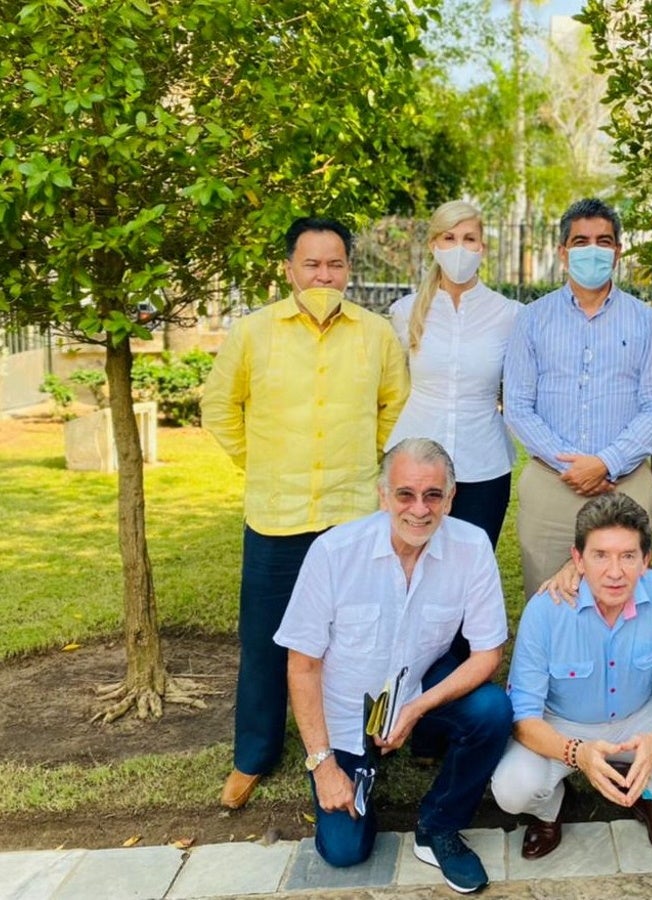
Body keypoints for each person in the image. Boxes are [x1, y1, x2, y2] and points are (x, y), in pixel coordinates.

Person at [201, 216, 409, 811]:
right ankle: (254, 754)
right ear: (289, 268)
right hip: (277, 515)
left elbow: (396, 405)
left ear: (349, 270)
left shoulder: (375, 334)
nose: (324, 275)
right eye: (312, 264)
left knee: (358, 636)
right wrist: (260, 462)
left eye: (335, 264)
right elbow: (219, 406)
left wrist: (367, 459)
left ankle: (362, 742)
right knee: (264, 641)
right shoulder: (253, 332)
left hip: (351, 512)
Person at [273, 438, 512, 893]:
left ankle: (439, 824)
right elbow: (301, 666)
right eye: (405, 494)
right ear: (383, 495)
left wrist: (417, 708)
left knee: (492, 711)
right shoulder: (334, 552)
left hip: (415, 689)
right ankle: (359, 769)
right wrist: (323, 765)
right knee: (345, 852)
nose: (419, 510)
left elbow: (487, 654)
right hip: (345, 713)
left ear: (450, 498)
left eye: (433, 495)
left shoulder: (471, 546)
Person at [492, 493, 652, 862]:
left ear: (645, 560)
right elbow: (522, 716)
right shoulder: (545, 610)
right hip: (563, 723)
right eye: (600, 555)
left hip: (640, 714)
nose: (615, 572)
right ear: (578, 559)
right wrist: (576, 753)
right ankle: (551, 809)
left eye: (628, 556)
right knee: (511, 789)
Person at [503, 198, 652, 600]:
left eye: (603, 241)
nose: (592, 250)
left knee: (622, 600)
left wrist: (605, 463)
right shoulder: (532, 319)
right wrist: (573, 467)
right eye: (581, 242)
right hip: (552, 484)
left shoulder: (648, 322)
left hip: (625, 484)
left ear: (618, 251)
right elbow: (518, 406)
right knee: (550, 599)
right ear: (563, 252)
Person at [386, 200, 521, 551]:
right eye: (449, 238)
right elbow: (391, 389)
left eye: (469, 239)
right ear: (434, 245)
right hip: (413, 463)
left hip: (484, 465)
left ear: (482, 247)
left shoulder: (509, 315)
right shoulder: (405, 312)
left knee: (472, 563)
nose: (459, 248)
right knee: (409, 560)